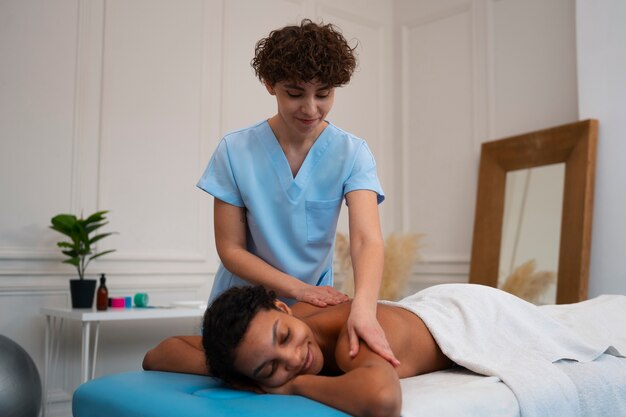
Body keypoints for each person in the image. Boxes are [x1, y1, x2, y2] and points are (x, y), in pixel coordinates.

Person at [196, 18, 397, 365]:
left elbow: (366, 239)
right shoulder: (234, 151)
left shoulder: (352, 153)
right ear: (269, 84)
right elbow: (230, 249)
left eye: (323, 94)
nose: (310, 109)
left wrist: (364, 308)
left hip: (311, 309)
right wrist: (299, 288)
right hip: (242, 308)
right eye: (294, 93)